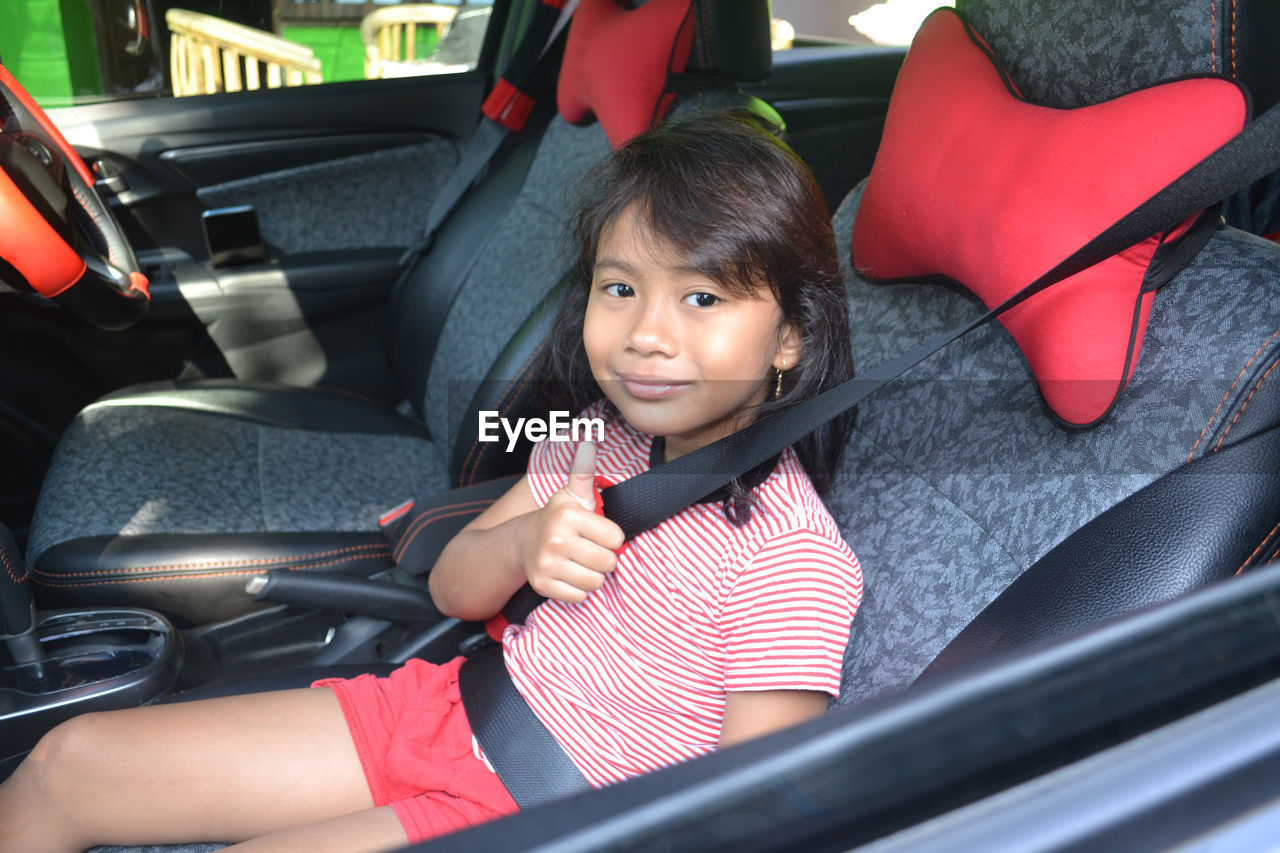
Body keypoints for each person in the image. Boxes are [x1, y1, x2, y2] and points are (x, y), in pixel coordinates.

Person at [0, 110, 862, 853]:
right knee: (68, 763)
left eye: (703, 298)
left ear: (791, 336)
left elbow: (751, 812)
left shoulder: (790, 561)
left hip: (548, 804)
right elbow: (455, 583)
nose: (646, 333)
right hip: (447, 705)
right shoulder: (599, 443)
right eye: (621, 287)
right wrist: (525, 539)